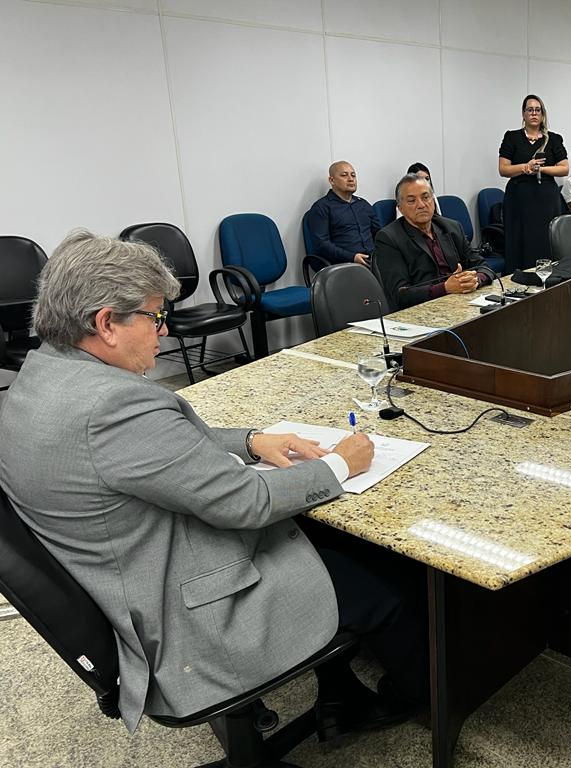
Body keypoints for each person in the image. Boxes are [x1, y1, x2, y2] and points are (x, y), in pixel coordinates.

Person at [0, 231, 427, 739]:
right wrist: (340, 464)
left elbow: (160, 445)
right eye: (155, 318)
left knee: (323, 539)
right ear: (106, 323)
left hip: (124, 578)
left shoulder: (44, 374)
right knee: (387, 578)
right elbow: (248, 503)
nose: (162, 333)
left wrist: (251, 440)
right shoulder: (115, 407)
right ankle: (428, 702)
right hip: (181, 616)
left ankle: (338, 687)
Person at [374, 174, 492, 310]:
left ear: (433, 201)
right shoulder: (388, 238)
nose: (421, 205)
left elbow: (483, 266)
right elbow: (400, 294)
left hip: (462, 302)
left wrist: (475, 279)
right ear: (400, 208)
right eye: (412, 201)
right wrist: (445, 288)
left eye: (426, 197)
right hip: (422, 311)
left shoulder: (452, 227)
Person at [498, 94, 569, 271]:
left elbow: (564, 168)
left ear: (543, 114)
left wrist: (541, 169)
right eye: (530, 110)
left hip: (546, 200)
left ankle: (545, 280)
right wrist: (525, 167)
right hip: (519, 199)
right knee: (519, 242)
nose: (534, 113)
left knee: (545, 242)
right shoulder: (512, 137)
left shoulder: (553, 139)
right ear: (523, 114)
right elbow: (503, 169)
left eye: (538, 110)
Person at [306, 160, 380, 267]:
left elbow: (378, 232)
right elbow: (322, 244)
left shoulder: (363, 204)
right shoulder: (322, 207)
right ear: (332, 180)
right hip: (344, 264)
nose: (350, 179)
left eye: (353, 176)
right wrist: (352, 257)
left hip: (373, 260)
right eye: (344, 175)